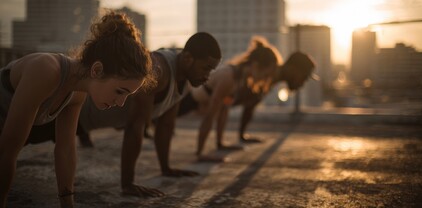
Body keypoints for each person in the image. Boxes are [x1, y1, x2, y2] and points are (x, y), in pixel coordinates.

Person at [0, 11, 155, 208]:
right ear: (97, 70)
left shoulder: (77, 91)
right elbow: (7, 152)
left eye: (127, 96)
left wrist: (68, 204)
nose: (121, 102)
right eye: (120, 91)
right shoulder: (46, 70)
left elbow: (65, 149)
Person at [75, 32, 222, 197]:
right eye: (206, 68)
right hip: (73, 112)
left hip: (84, 123)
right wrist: (128, 184)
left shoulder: (186, 79)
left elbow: (166, 125)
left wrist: (166, 168)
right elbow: (134, 126)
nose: (207, 76)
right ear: (188, 58)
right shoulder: (159, 70)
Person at [179, 51, 316, 145]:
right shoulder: (269, 71)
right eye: (303, 77)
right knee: (168, 113)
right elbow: (246, 103)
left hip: (208, 100)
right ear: (294, 69)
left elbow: (249, 104)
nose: (302, 83)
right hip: (194, 97)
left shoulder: (271, 73)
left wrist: (241, 135)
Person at [180, 36, 282, 162]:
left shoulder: (240, 78)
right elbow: (210, 116)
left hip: (198, 103)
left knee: (223, 109)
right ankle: (200, 151)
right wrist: (200, 154)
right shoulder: (229, 77)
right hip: (187, 101)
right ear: (255, 66)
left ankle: (218, 143)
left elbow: (224, 109)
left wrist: (220, 143)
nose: (265, 79)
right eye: (265, 75)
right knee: (156, 120)